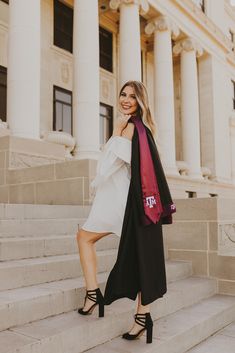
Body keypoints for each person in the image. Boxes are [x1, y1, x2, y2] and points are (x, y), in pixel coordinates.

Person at [76, 80, 176, 344]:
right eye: (123, 94)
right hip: (130, 201)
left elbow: (107, 164)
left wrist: (116, 131)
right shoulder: (144, 129)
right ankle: (142, 317)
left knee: (84, 238)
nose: (126, 99)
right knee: (140, 255)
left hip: (123, 202)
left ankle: (92, 294)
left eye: (132, 96)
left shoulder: (131, 127)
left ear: (140, 101)